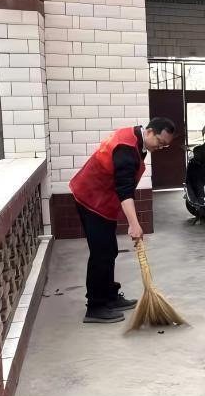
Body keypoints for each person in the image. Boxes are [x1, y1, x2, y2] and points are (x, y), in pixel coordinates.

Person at [70, 117, 175, 323]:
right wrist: (134, 224)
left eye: (165, 145)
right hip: (91, 198)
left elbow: (123, 186)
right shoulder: (126, 148)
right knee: (101, 252)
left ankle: (109, 296)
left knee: (109, 250)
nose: (161, 147)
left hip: (103, 200)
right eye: (160, 142)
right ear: (150, 132)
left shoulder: (136, 140)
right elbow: (124, 189)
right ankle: (95, 307)